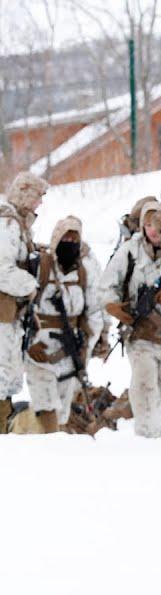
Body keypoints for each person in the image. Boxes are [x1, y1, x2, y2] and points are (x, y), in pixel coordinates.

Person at [23, 216, 103, 432]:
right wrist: (28, 344)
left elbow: (94, 313)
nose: (69, 243)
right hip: (39, 350)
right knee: (45, 409)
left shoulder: (84, 272)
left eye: (74, 239)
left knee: (62, 413)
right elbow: (21, 308)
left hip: (69, 353)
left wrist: (87, 346)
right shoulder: (41, 266)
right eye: (65, 238)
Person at [103, 199, 161, 437]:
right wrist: (114, 306)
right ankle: (147, 438)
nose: (154, 229)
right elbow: (106, 285)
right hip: (141, 333)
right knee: (145, 387)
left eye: (158, 223)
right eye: (148, 224)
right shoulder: (130, 251)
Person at [0, 171, 49, 433]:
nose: (40, 203)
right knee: (2, 374)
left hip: (10, 314)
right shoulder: (7, 225)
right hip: (3, 314)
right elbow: (2, 269)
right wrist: (30, 286)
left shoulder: (16, 225)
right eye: (38, 197)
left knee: (7, 374)